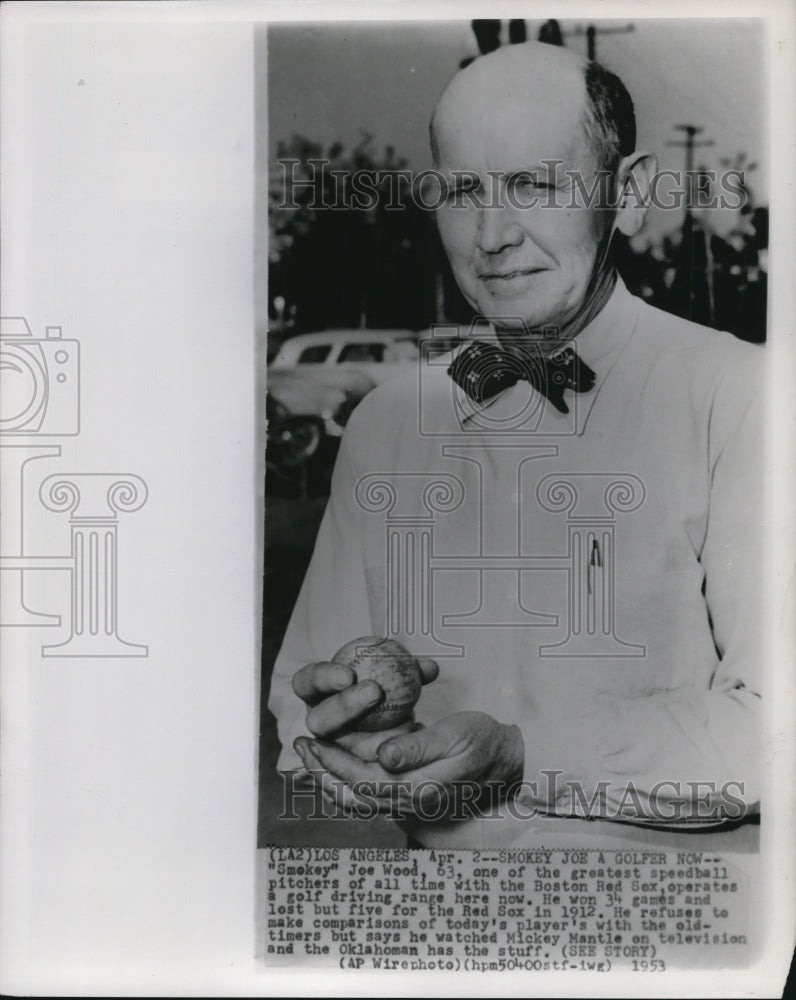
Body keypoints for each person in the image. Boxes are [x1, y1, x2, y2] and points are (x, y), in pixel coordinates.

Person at [267, 41, 763, 847]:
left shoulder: (744, 396)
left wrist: (525, 759)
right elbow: (300, 698)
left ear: (627, 195)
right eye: (464, 190)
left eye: (535, 183)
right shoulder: (388, 421)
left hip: (677, 945)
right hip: (450, 940)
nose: (492, 234)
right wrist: (336, 723)